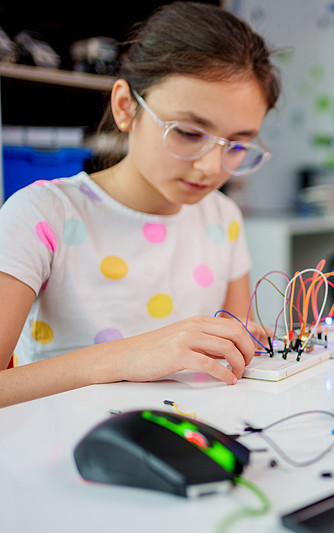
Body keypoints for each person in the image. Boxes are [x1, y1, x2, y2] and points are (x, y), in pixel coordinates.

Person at [0, 2, 281, 408]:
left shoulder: (223, 217)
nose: (211, 167)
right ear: (125, 107)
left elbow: (231, 365)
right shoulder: (41, 214)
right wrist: (124, 356)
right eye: (188, 132)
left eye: (237, 145)